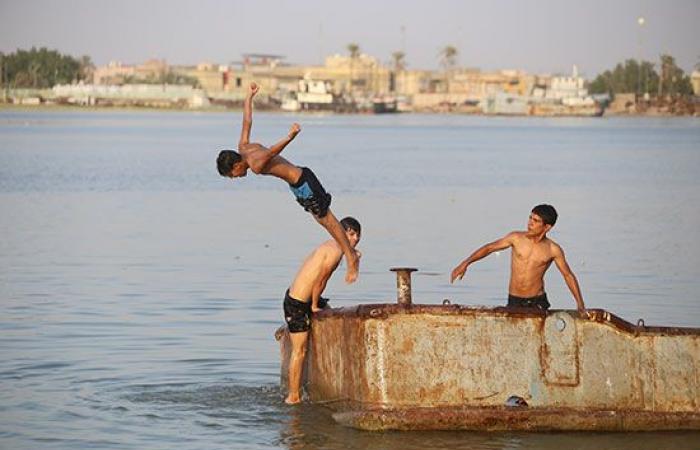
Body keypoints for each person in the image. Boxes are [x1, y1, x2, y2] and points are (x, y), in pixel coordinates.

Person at [216, 82, 359, 284]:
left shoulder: (255, 163)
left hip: (303, 181)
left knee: (328, 220)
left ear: (236, 165)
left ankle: (352, 257)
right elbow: (247, 120)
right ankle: (349, 253)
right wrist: (249, 97)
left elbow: (272, 151)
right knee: (323, 222)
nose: (235, 178)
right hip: (298, 186)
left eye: (232, 174)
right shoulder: (244, 147)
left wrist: (290, 136)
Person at [450, 204, 587, 316]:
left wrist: (580, 304)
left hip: (537, 301)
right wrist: (465, 263)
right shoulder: (516, 238)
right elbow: (489, 248)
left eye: (536, 221)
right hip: (514, 299)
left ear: (547, 227)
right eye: (530, 218)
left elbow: (568, 275)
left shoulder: (553, 249)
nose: (530, 223)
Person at [283, 216, 362, 404]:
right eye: (351, 235)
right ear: (340, 233)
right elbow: (320, 280)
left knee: (328, 320)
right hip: (298, 303)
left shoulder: (335, 247)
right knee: (299, 351)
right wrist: (314, 306)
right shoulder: (334, 251)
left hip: (305, 298)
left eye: (357, 236)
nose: (354, 239)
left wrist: (354, 257)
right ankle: (293, 396)